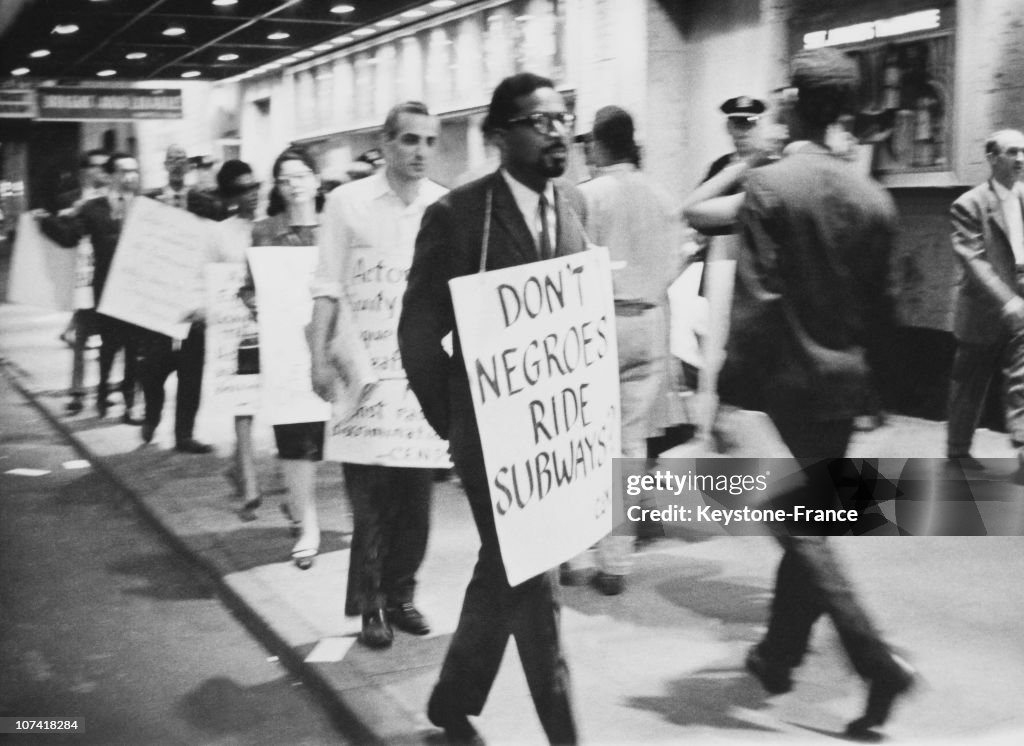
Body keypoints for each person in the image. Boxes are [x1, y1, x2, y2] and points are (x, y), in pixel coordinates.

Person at [707, 48, 916, 739]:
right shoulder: (873, 199)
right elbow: (885, 311)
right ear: (848, 111)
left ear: (795, 101)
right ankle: (779, 655)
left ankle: (872, 658)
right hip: (843, 392)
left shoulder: (771, 187)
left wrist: (728, 399)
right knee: (817, 522)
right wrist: (879, 391)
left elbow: (759, 301)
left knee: (801, 528)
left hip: (783, 389)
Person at [399, 72, 582, 745]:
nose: (559, 130)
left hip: (549, 442)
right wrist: (456, 422)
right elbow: (417, 331)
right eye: (542, 121)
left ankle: (452, 701)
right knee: (535, 579)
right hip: (486, 437)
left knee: (506, 568)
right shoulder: (459, 215)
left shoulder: (572, 212)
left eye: (565, 117)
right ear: (500, 136)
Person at [309, 102, 446, 648]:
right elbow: (326, 286)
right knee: (370, 502)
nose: (420, 152)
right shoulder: (347, 204)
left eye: (429, 141)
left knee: (416, 498)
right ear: (386, 144)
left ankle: (401, 594)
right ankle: (370, 606)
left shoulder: (443, 206)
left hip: (422, 377)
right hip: (361, 369)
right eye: (409, 140)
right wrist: (316, 356)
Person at [562, 105, 682, 595]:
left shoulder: (585, 196)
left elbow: (564, 264)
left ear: (596, 145)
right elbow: (676, 262)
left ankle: (577, 556)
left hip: (598, 322)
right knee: (631, 446)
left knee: (583, 441)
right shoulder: (663, 196)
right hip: (650, 320)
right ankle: (618, 563)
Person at [249, 147, 330, 569]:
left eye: (301, 175)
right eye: (285, 178)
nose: (294, 183)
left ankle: (357, 520)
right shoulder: (264, 232)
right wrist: (258, 304)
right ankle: (308, 524)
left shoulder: (337, 226)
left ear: (317, 180)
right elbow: (250, 287)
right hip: (287, 348)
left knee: (350, 435)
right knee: (297, 439)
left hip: (334, 343)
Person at [36, 152, 143, 424]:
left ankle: (131, 404)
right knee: (108, 348)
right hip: (105, 290)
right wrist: (45, 221)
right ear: (111, 176)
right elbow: (69, 237)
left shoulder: (146, 208)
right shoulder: (93, 208)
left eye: (135, 171)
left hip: (136, 292)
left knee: (134, 350)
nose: (131, 176)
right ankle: (102, 394)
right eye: (124, 171)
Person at [947, 129, 1024, 473]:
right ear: (992, 158)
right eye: (1011, 152)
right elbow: (974, 261)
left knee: (1022, 380)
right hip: (984, 305)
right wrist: (1007, 302)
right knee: (970, 385)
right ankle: (958, 451)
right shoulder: (969, 205)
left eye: (1023, 152)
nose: (1020, 159)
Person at [137, 145, 216, 453]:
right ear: (165, 165)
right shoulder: (149, 201)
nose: (177, 165)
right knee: (154, 368)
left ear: (188, 166)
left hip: (193, 296)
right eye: (172, 160)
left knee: (191, 369)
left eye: (182, 160)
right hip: (160, 299)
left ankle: (185, 434)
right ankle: (152, 414)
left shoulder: (203, 202)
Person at [209, 160, 262, 509]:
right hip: (237, 332)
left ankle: (238, 469)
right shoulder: (218, 234)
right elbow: (209, 283)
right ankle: (251, 486)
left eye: (254, 185)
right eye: (243, 188)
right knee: (243, 405)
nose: (252, 193)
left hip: (269, 326)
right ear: (230, 195)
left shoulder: (269, 227)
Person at [59, 149, 110, 416]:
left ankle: (104, 391)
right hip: (82, 280)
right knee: (80, 340)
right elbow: (64, 236)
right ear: (85, 171)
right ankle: (77, 392)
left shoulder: (113, 200)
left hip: (106, 279)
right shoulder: (71, 200)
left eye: (105, 166)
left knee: (110, 341)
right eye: (97, 166)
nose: (102, 171)